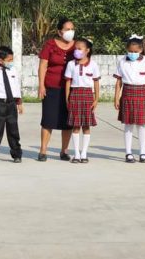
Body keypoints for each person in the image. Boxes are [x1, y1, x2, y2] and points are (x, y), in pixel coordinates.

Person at [114, 35, 145, 163]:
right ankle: (128, 153)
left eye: (135, 51)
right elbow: (118, 81)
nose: (132, 53)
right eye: (130, 51)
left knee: (141, 125)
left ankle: (143, 153)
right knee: (128, 124)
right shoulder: (122, 61)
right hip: (127, 93)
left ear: (141, 50)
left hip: (142, 93)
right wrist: (116, 97)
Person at [37, 17, 75, 162]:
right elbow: (43, 65)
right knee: (48, 119)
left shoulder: (77, 46)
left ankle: (64, 151)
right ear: (60, 32)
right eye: (67, 29)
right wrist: (41, 85)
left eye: (72, 29)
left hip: (71, 89)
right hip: (51, 87)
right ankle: (43, 150)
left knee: (68, 121)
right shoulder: (50, 45)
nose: (70, 31)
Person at [0, 46, 23, 164]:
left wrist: (19, 103)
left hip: (11, 104)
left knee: (13, 130)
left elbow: (16, 86)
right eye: (9, 60)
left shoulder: (13, 70)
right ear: (1, 60)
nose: (11, 62)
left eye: (12, 59)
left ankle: (16, 154)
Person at [64, 38, 100, 163]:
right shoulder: (71, 64)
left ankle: (84, 153)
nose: (77, 51)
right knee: (76, 126)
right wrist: (67, 98)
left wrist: (96, 99)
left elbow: (96, 82)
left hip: (88, 95)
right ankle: (76, 154)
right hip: (75, 94)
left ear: (87, 50)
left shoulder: (93, 65)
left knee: (86, 125)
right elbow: (68, 82)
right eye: (75, 48)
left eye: (80, 49)